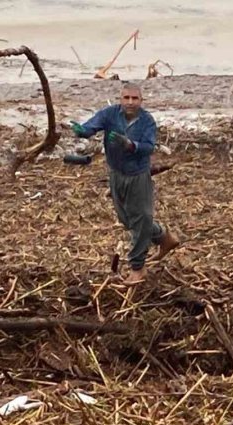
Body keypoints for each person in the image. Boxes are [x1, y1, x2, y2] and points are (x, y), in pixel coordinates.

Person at [71, 83, 179, 285]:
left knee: (141, 218)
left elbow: (148, 147)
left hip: (138, 175)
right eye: (126, 98)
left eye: (134, 98)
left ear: (141, 100)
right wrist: (80, 130)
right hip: (116, 173)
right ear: (120, 99)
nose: (130, 102)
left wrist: (130, 145)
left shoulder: (147, 121)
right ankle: (164, 238)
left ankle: (138, 268)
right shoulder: (110, 114)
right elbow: (90, 127)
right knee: (127, 219)